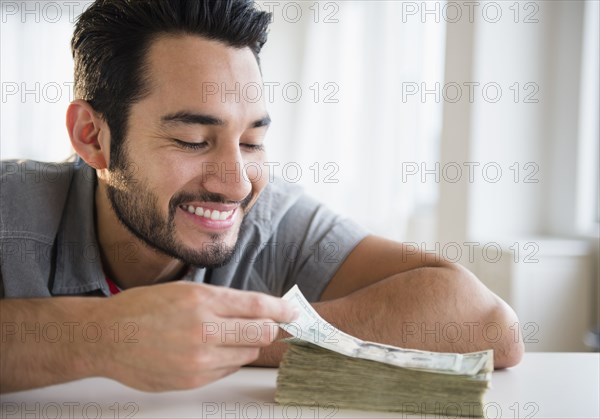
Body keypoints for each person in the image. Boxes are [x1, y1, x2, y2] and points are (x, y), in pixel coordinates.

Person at [0, 0, 523, 393]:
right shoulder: (11, 207)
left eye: (252, 141)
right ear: (93, 136)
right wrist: (111, 334)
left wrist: (225, 334)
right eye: (192, 141)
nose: (237, 183)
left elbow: (488, 323)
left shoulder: (274, 219)